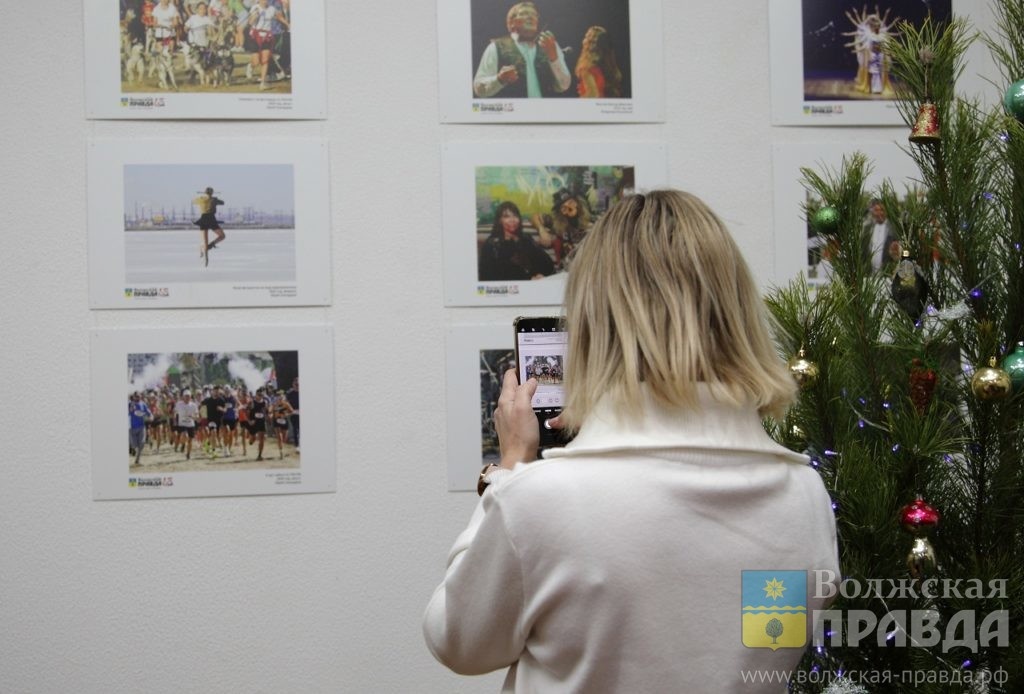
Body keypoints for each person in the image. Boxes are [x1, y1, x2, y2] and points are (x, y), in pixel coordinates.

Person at [424, 190, 841, 691]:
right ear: (733, 315)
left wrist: (509, 465)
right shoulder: (804, 495)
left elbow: (458, 642)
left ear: (595, 325)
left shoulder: (541, 500)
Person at [472, 2, 571, 99]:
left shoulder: (550, 45)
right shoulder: (495, 47)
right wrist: (499, 79)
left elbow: (565, 85)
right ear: (511, 23)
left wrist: (554, 57)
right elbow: (478, 88)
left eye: (534, 15)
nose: (531, 17)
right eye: (524, 13)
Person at [477, 201, 555, 282]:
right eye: (506, 216)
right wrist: (528, 279)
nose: (512, 220)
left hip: (535, 285)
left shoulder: (525, 238)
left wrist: (540, 274)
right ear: (499, 220)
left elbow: (547, 263)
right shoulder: (492, 245)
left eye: (515, 216)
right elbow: (491, 276)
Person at [530, 188, 592, 271]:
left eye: (571, 203)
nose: (569, 208)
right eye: (563, 208)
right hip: (566, 271)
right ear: (560, 212)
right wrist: (542, 231)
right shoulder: (559, 223)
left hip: (586, 270)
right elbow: (535, 217)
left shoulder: (592, 224)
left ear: (578, 203)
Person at [247, 0, 289, 90]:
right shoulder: (255, 7)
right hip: (255, 35)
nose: (265, 1)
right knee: (256, 61)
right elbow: (250, 22)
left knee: (265, 60)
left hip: (267, 36)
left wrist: (287, 24)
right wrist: (255, 15)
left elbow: (279, 17)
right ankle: (251, 66)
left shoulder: (272, 9)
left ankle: (262, 83)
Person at [574, 25, 623, 98]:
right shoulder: (606, 66)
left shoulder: (586, 68)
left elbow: (592, 95)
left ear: (589, 43)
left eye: (586, 37)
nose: (583, 40)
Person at [864, 198, 900, 273]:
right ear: (872, 212)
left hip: (887, 275)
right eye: (876, 210)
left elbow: (898, 251)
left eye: (882, 210)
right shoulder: (867, 228)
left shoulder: (894, 228)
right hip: (869, 275)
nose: (879, 213)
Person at [193, 186, 226, 265]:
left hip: (204, 219)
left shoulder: (201, 199)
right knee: (222, 236)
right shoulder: (214, 200)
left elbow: (194, 201)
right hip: (211, 219)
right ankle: (211, 245)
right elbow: (223, 202)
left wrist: (202, 197)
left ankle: (205, 254)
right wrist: (215, 198)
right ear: (212, 193)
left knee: (205, 241)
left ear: (205, 192)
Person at [174, 389, 199, 460]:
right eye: (186, 396)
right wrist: (175, 419)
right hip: (182, 424)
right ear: (183, 397)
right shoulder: (179, 404)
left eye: (189, 396)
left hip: (191, 424)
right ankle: (183, 444)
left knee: (190, 440)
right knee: (184, 435)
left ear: (190, 397)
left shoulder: (193, 405)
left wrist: (194, 417)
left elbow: (197, 415)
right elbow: (175, 412)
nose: (187, 398)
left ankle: (188, 454)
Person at [128, 392, 152, 467]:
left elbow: (149, 412)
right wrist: (130, 409)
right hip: (132, 428)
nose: (137, 398)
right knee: (134, 445)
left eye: (139, 396)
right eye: (136, 396)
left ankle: (137, 460)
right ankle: (132, 449)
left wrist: (151, 416)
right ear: (134, 397)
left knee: (141, 444)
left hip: (141, 427)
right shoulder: (129, 404)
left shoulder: (143, 404)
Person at [285, 377, 299, 451]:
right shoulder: (289, 393)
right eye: (296, 383)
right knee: (295, 429)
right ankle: (297, 446)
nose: (297, 385)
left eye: (298, 383)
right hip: (293, 413)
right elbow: (286, 403)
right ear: (293, 384)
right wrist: (290, 410)